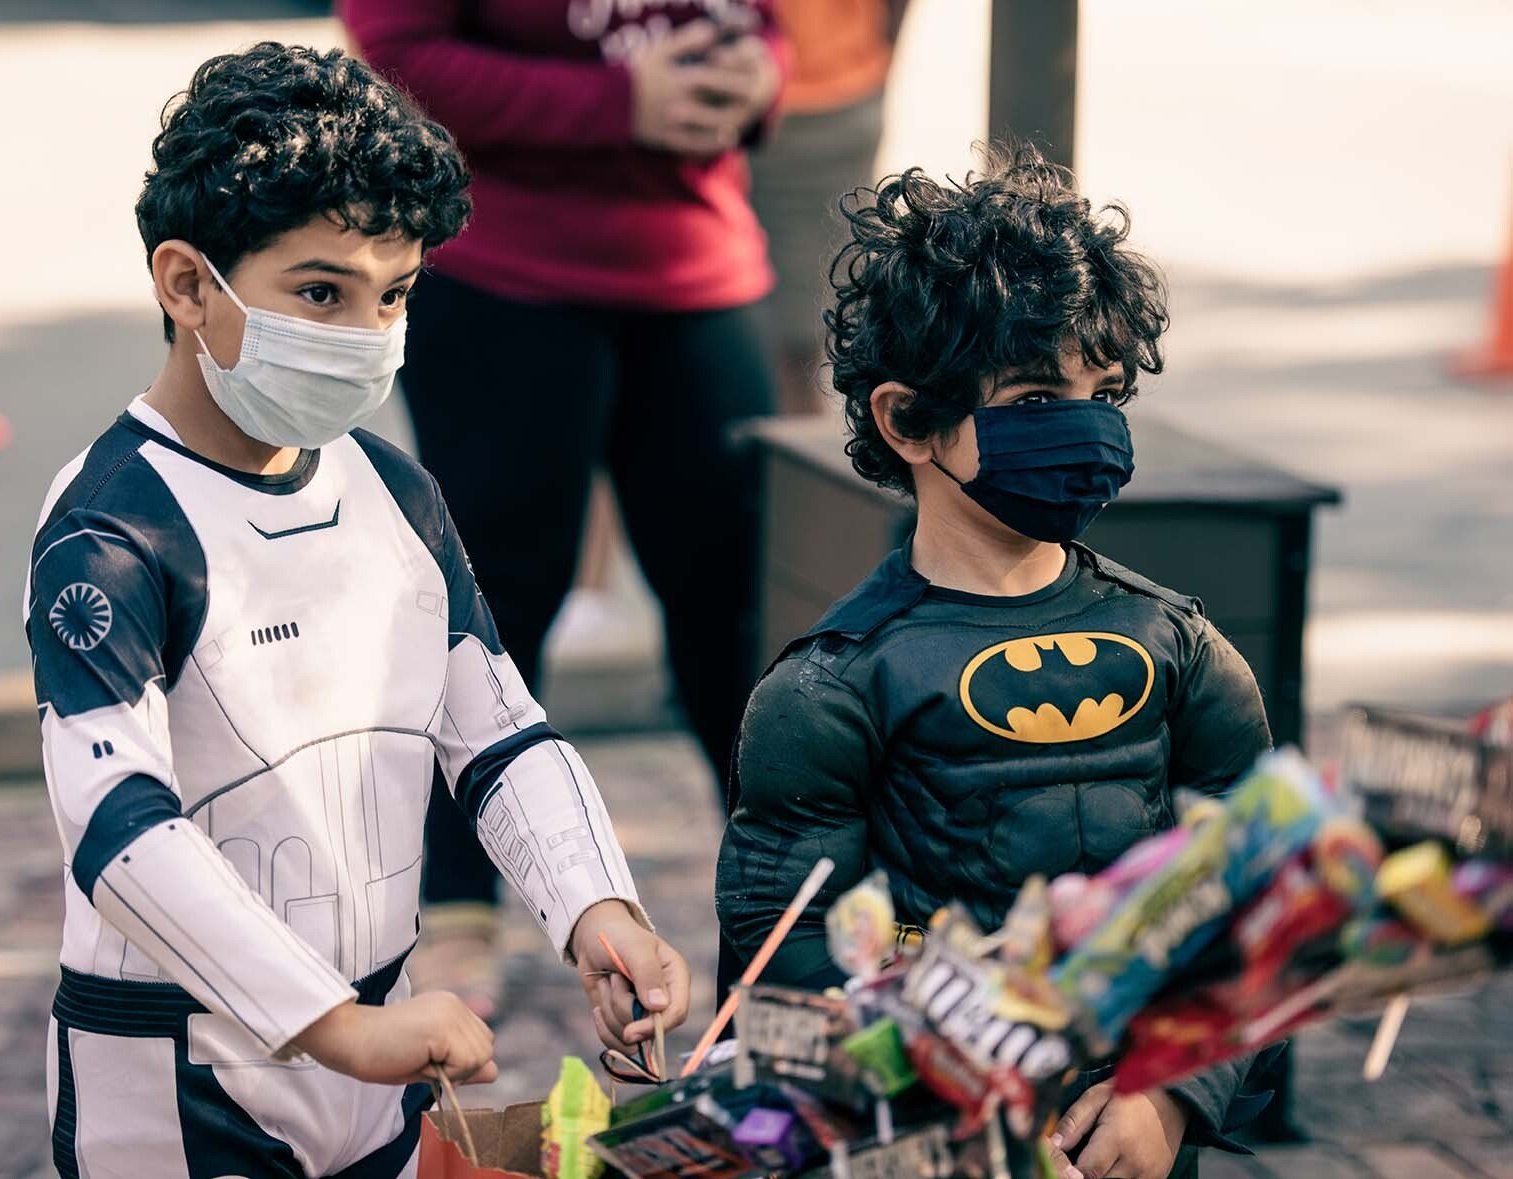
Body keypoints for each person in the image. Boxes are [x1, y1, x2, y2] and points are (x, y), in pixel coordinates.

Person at [25, 44, 689, 1176]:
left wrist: (595, 910)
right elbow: (115, 820)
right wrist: (340, 1028)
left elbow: (496, 734)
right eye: (320, 291)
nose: (365, 332)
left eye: (395, 293)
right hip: (181, 1071)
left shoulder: (391, 487)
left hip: (383, 1048)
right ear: (187, 284)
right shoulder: (113, 527)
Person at [714, 145, 1271, 1179]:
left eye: (1101, 391)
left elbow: (1265, 901)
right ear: (906, 420)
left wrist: (1173, 1098)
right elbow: (784, 987)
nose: (1083, 430)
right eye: (1028, 400)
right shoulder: (829, 689)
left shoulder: (1180, 649)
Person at [347, 0, 783, 1016]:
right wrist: (615, 99)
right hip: (508, 267)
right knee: (489, 604)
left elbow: (761, 23)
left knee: (742, 615)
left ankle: (782, 904)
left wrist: (760, 76)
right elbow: (401, 55)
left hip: (697, 265)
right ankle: (455, 905)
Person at [751, 0, 910, 415]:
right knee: (812, 333)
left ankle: (794, 471)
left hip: (815, 96)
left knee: (799, 345)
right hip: (838, 84)